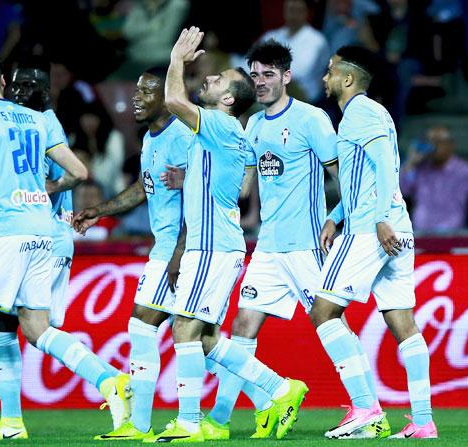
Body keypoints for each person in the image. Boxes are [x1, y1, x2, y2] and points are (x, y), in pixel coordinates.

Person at [0, 50, 129, 441]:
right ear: (4, 83)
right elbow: (78, 171)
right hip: (45, 232)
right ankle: (26, 416)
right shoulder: (37, 119)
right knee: (27, 327)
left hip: (7, 232)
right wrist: (47, 191)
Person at [144, 27, 308, 443]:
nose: (210, 79)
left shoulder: (219, 124)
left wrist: (177, 59)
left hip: (214, 247)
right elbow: (234, 187)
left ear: (229, 101)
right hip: (212, 245)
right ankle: (278, 389)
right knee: (205, 337)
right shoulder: (218, 132)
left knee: (184, 328)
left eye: (218, 80)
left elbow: (173, 101)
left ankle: (190, 424)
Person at [196, 39, 360, 440]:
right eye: (255, 75)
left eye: (269, 74)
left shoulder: (312, 119)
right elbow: (245, 184)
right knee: (242, 327)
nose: (261, 82)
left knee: (329, 322)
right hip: (267, 247)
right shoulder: (252, 124)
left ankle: (366, 405)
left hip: (306, 245)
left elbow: (342, 175)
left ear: (287, 76)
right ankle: (219, 420)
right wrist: (199, 182)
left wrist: (341, 220)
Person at [311, 46, 437, 439]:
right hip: (394, 226)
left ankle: (365, 407)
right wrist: (335, 216)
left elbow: (385, 162)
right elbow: (359, 178)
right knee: (402, 322)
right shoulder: (373, 113)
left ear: (348, 78)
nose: (325, 78)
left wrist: (379, 217)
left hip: (372, 229)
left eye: (330, 71)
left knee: (323, 311)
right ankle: (423, 421)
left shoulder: (359, 113)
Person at [73, 66, 192, 441]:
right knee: (203, 338)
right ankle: (273, 390)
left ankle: (138, 424)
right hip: (167, 246)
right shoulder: (151, 139)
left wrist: (178, 252)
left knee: (143, 325)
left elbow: (198, 197)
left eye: (147, 91)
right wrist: (100, 210)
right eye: (137, 91)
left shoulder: (183, 137)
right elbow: (145, 187)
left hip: (180, 248)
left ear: (167, 97)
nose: (137, 97)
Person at [400, 125, 468, 232]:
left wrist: (441, 233)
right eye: (430, 141)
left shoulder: (464, 172)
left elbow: (466, 208)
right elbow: (403, 191)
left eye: (438, 142)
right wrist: (410, 163)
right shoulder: (420, 168)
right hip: (420, 234)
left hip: (451, 235)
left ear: (451, 145)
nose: (433, 146)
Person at [259, 0, 330, 103]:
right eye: (291, 10)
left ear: (307, 13)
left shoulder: (317, 40)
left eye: (298, 10)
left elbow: (300, 71)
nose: (293, 15)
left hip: (305, 98)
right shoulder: (271, 36)